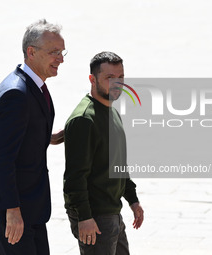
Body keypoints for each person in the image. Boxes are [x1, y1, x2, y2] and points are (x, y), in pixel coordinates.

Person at [0, 19, 66, 255]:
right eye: (54, 52)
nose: (61, 59)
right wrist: (12, 211)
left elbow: (18, 134)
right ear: (31, 52)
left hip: (29, 204)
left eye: (62, 52)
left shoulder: (35, 85)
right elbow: (1, 159)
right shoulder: (16, 94)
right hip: (12, 208)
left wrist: (48, 137)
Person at [63, 51, 144, 255]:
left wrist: (132, 200)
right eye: (109, 78)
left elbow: (118, 164)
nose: (117, 83)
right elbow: (74, 177)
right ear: (92, 79)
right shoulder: (84, 120)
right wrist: (84, 218)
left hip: (111, 211)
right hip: (95, 216)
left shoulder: (112, 113)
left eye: (121, 77)